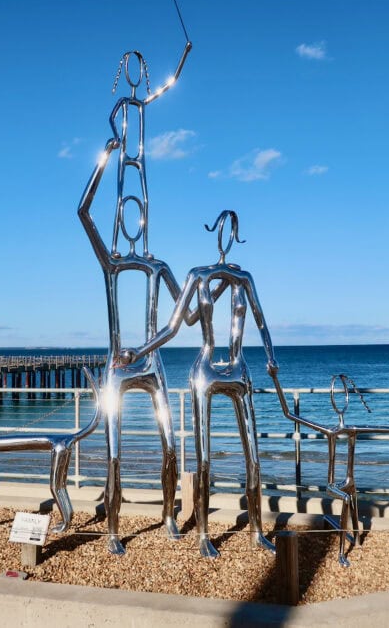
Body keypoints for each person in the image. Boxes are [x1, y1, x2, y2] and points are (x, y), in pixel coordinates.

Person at [77, 42, 191, 556]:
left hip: (150, 363)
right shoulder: (112, 262)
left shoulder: (156, 264)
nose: (130, 213)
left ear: (142, 212)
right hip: (119, 366)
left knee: (171, 446)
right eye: (126, 207)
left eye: (135, 208)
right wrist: (104, 156)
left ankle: (170, 518)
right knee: (116, 452)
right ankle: (115, 529)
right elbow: (83, 212)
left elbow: (182, 314)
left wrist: (153, 344)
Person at [118, 210, 276, 558]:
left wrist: (271, 356)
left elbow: (261, 322)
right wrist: (137, 353)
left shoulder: (243, 278)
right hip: (204, 370)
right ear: (216, 235)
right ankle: (203, 533)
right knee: (203, 459)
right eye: (222, 230)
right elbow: (175, 327)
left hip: (239, 370)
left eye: (231, 231)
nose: (226, 238)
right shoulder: (197, 275)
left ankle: (257, 531)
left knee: (253, 459)